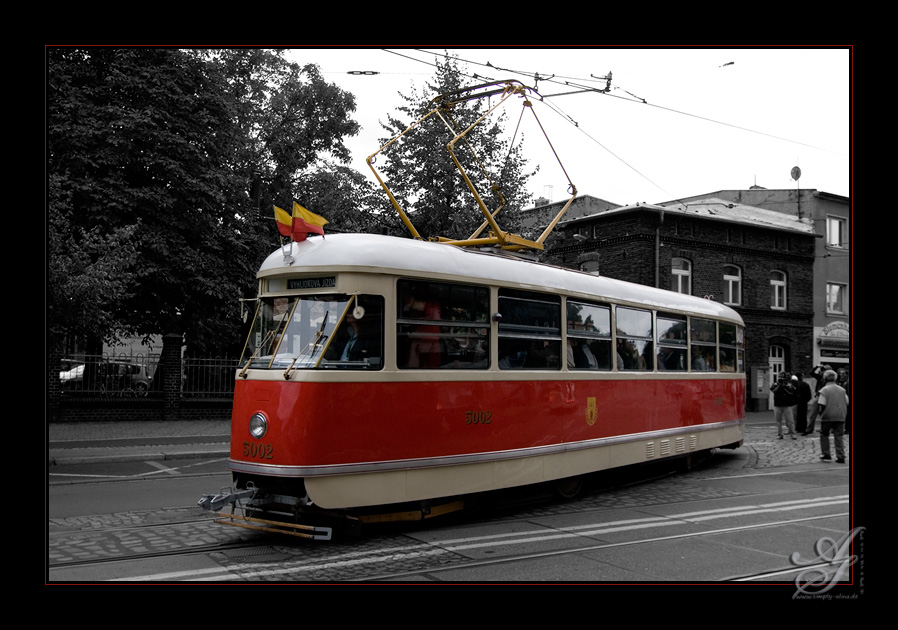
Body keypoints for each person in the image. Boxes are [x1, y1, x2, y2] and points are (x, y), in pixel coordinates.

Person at [817, 370, 849, 463]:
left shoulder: (824, 390)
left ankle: (826, 454)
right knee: (839, 436)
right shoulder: (842, 390)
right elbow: (847, 401)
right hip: (840, 415)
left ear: (825, 378)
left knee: (824, 434)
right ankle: (840, 456)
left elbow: (822, 403)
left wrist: (821, 414)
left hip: (828, 416)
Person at [803, 364, 830, 435]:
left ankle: (825, 428)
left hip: (826, 397)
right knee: (813, 413)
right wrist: (817, 367)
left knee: (825, 413)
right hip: (819, 396)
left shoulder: (830, 379)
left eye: (824, 370)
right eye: (823, 370)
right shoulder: (820, 377)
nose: (823, 372)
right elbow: (811, 373)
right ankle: (809, 429)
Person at [771, 371, 798, 440]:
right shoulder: (775, 384)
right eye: (780, 376)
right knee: (778, 420)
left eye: (782, 376)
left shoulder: (788, 384)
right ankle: (780, 434)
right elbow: (773, 390)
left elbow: (791, 392)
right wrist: (779, 385)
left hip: (787, 405)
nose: (781, 378)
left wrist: (784, 385)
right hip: (777, 405)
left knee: (790, 420)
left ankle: (793, 433)